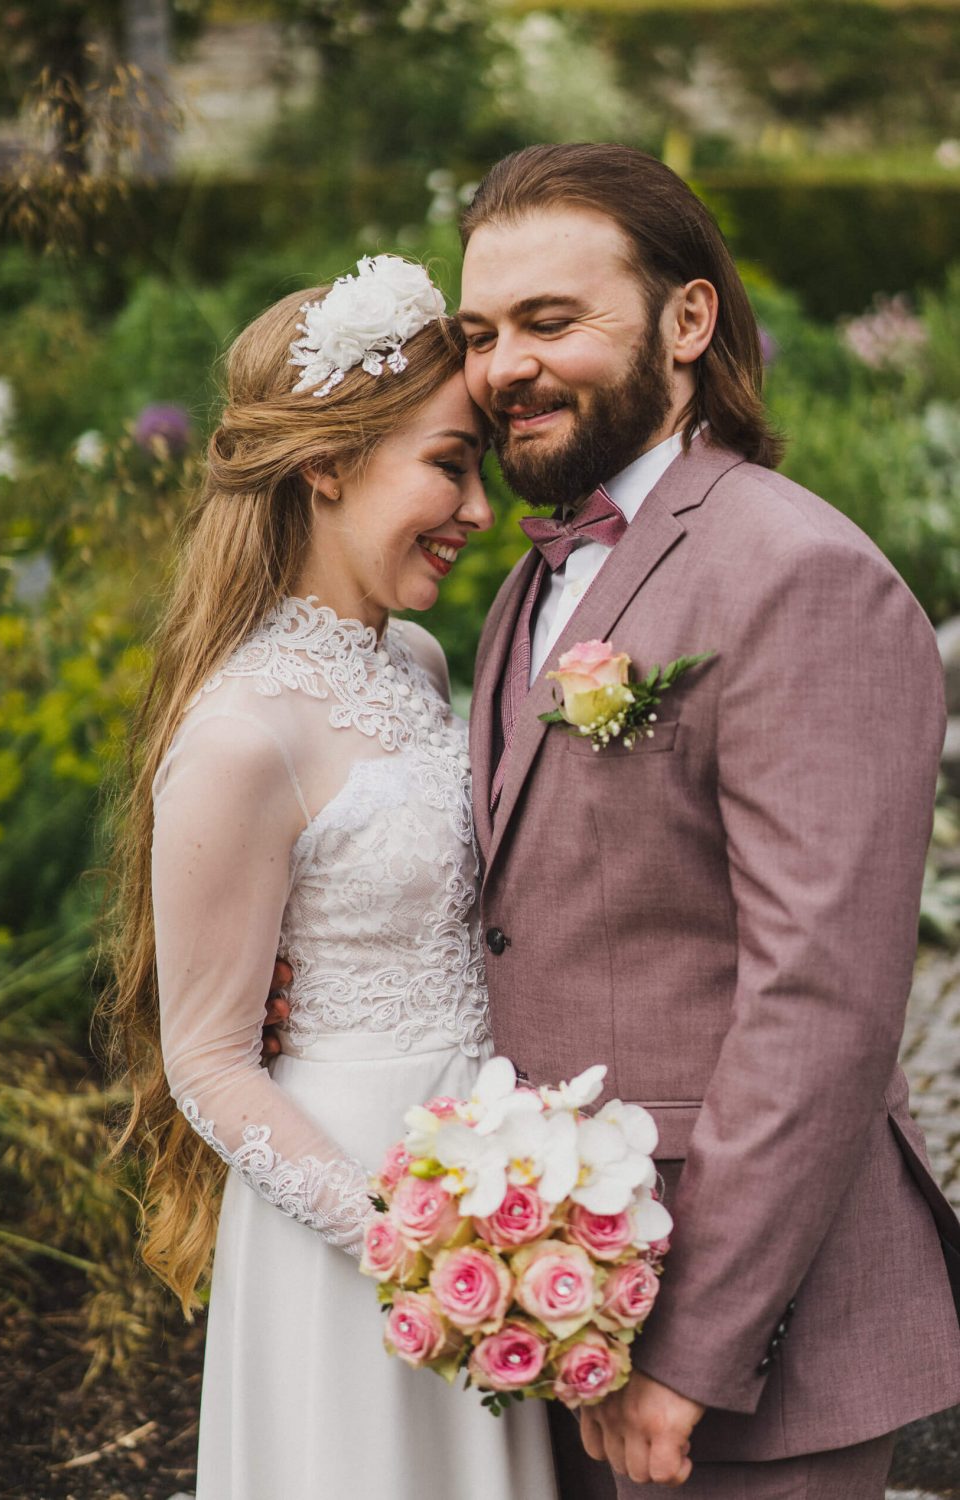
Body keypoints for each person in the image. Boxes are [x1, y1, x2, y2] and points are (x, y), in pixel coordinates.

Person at [456, 143, 960, 1498]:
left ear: (689, 322)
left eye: (552, 321)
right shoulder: (532, 584)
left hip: (744, 1351)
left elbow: (822, 1001)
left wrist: (688, 1353)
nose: (506, 364)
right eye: (483, 333)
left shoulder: (800, 576)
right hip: (552, 1312)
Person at [106, 256, 559, 1500]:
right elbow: (206, 1060)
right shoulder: (240, 733)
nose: (477, 507)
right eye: (448, 463)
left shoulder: (413, 660)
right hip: (348, 1212)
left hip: (477, 1173)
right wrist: (403, 1244)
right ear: (326, 464)